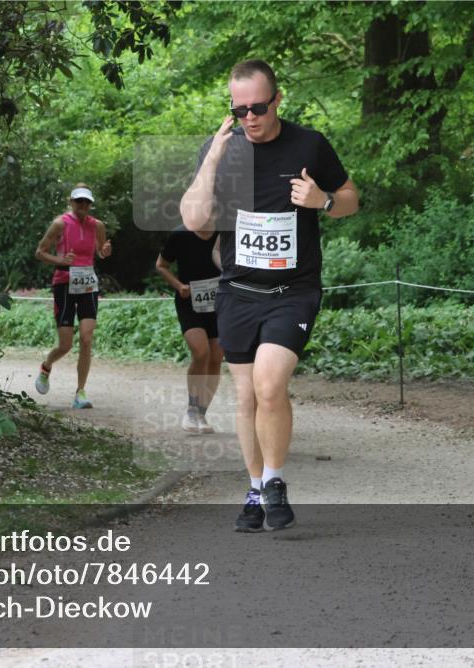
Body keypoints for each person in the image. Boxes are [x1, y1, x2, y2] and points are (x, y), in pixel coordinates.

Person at [179, 59, 359, 531]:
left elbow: (351, 200)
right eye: (239, 110)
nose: (250, 118)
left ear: (278, 100)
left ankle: (275, 480)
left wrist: (323, 201)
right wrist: (214, 156)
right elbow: (195, 222)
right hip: (237, 291)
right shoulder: (220, 149)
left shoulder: (308, 144)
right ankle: (255, 489)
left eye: (258, 107)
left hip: (292, 290)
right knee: (246, 397)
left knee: (270, 384)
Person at [33, 184, 112, 408]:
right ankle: (47, 365)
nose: (83, 205)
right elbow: (40, 252)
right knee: (66, 345)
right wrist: (60, 261)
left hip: (87, 285)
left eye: (87, 202)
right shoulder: (60, 224)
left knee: (86, 338)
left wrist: (104, 252)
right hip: (64, 284)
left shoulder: (97, 225)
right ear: (71, 202)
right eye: (79, 201)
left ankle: (80, 392)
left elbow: (100, 251)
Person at [156, 225, 224, 434]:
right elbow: (161, 265)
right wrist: (179, 286)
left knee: (216, 358)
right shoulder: (180, 235)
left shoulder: (225, 233)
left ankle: (201, 414)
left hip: (219, 302)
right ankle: (192, 410)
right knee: (201, 352)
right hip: (190, 302)